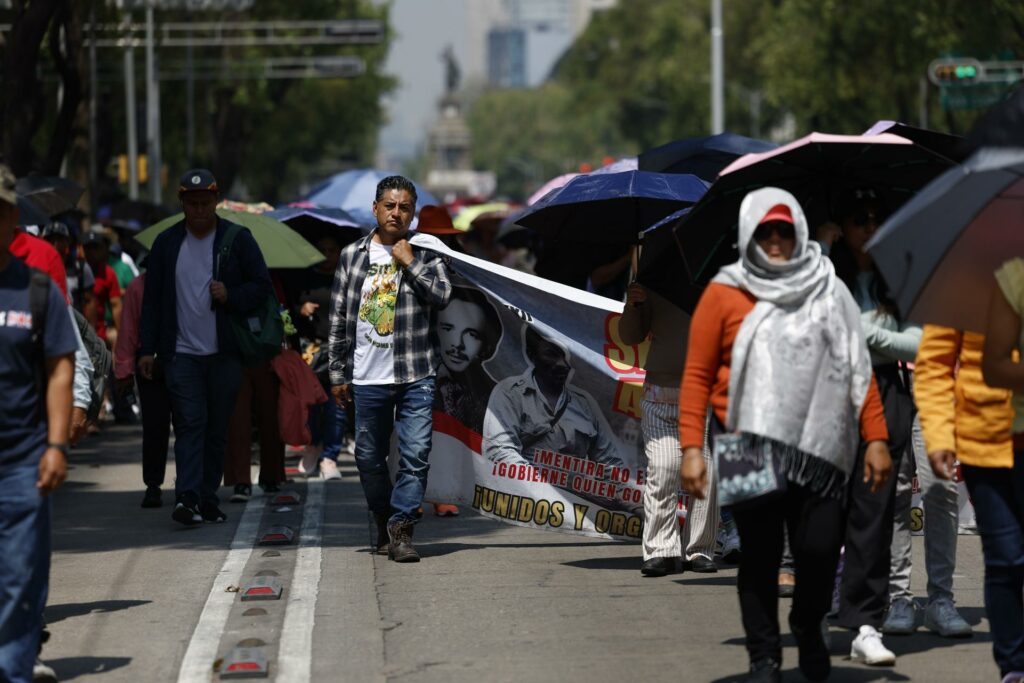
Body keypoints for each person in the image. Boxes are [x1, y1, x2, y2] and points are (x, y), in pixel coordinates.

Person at [680, 187, 891, 683]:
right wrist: (692, 448)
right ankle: (764, 656)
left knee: (818, 551)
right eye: (765, 230)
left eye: (785, 230)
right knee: (759, 554)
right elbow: (697, 375)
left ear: (799, 233)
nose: (775, 239)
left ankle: (808, 626)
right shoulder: (723, 292)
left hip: (819, 446)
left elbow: (856, 368)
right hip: (745, 442)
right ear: (748, 235)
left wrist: (876, 436)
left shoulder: (829, 287)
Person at [327, 175, 452, 562]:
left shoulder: (428, 253)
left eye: (405, 208)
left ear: (413, 214)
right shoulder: (352, 255)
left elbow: (443, 295)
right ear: (376, 209)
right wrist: (336, 373)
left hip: (416, 373)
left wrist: (410, 262)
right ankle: (382, 516)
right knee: (368, 457)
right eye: (390, 206)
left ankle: (401, 529)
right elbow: (338, 318)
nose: (396, 213)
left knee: (416, 455)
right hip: (367, 377)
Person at [138, 169, 272, 526]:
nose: (199, 209)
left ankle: (208, 498)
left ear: (217, 201)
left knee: (216, 429)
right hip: (180, 354)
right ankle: (187, 497)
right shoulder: (166, 244)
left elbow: (262, 287)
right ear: (182, 203)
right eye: (192, 203)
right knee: (189, 423)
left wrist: (231, 294)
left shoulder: (237, 240)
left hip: (225, 355)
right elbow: (151, 302)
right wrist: (145, 350)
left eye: (205, 203)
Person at [0, 164, 77, 683]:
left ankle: (13, 666)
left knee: (20, 574)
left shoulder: (36, 287)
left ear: (11, 218)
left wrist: (56, 444)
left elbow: (58, 369)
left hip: (21, 459)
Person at [618, 281, 703, 576]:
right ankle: (660, 550)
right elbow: (629, 336)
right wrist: (634, 304)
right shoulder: (653, 279)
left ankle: (699, 550)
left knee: (707, 475)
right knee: (663, 468)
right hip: (660, 393)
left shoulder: (723, 276)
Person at [484, 325, 626, 473]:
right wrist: (544, 491)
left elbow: (611, 466)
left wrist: (626, 490)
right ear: (531, 355)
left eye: (566, 356)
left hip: (572, 495)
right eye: (551, 354)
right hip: (523, 492)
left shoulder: (584, 406)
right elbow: (499, 452)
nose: (563, 364)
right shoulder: (510, 394)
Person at [980, 261, 1024, 682]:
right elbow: (993, 364)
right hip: (996, 443)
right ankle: (1015, 668)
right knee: (1007, 561)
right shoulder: (1011, 278)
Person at [293, 232, 349, 480]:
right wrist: (301, 309)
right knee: (311, 406)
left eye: (332, 249)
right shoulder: (303, 278)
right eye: (321, 249)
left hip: (342, 351)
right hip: (311, 353)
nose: (326, 255)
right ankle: (313, 447)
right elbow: (289, 310)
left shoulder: (347, 276)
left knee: (337, 406)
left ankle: (330, 457)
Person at [114, 272, 172, 508]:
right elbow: (128, 330)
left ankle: (190, 484)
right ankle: (153, 485)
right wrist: (124, 370)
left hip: (184, 359)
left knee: (189, 424)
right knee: (155, 426)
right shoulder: (138, 286)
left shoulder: (186, 279)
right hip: (149, 363)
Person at [435, 285, 502, 432]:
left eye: (472, 335)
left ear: (485, 345)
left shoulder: (490, 397)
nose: (458, 344)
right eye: (447, 328)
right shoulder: (415, 380)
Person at [82, 230, 121, 348]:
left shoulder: (108, 273)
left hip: (99, 335)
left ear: (102, 250)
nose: (91, 252)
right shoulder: (76, 271)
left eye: (95, 248)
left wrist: (120, 334)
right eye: (88, 248)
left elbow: (116, 305)